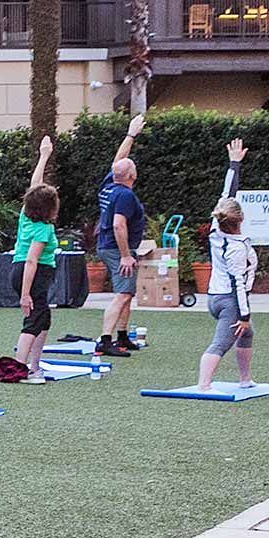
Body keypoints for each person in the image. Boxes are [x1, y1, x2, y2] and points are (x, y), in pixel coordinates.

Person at [197, 139, 257, 392]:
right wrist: (244, 315)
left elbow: (227, 194)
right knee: (221, 343)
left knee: (247, 334)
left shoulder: (215, 230)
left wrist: (234, 163)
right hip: (229, 299)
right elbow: (238, 285)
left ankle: (245, 380)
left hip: (215, 297)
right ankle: (203, 384)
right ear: (240, 219)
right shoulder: (236, 248)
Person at [95, 113, 150, 358]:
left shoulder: (110, 185)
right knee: (123, 294)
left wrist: (131, 135)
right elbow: (119, 225)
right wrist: (127, 256)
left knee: (127, 293)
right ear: (131, 177)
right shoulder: (125, 195)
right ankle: (105, 340)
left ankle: (122, 336)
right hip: (117, 248)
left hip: (108, 246)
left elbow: (119, 160)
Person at [10, 137, 59, 378]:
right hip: (32, 274)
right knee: (33, 319)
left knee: (43, 318)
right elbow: (32, 260)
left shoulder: (26, 215)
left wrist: (44, 155)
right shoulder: (42, 228)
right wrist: (25, 294)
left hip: (27, 272)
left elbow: (35, 185)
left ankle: (35, 365)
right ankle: (19, 368)